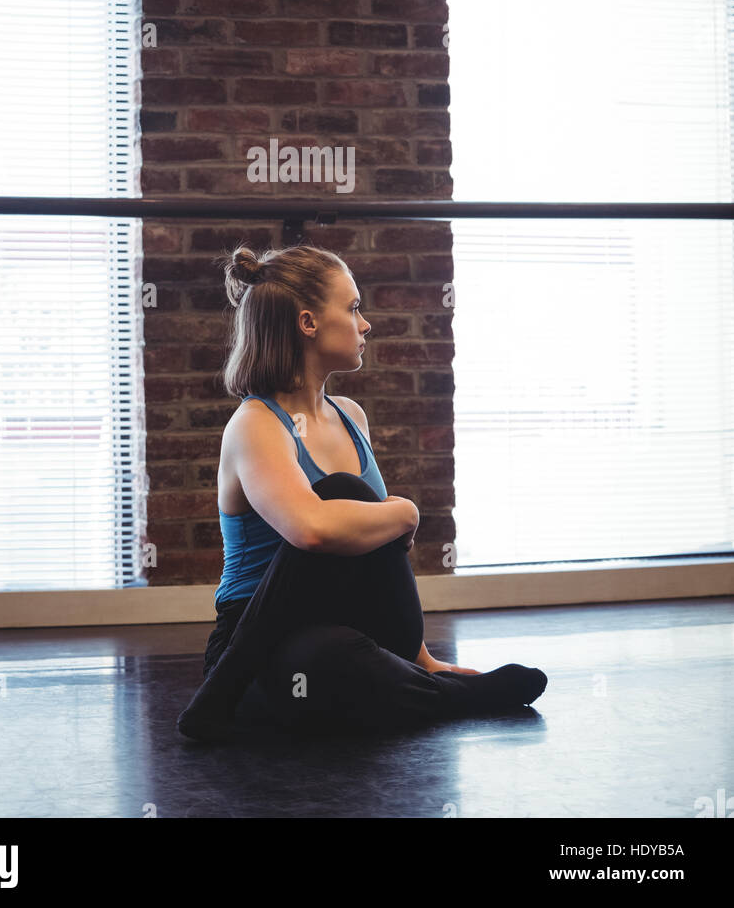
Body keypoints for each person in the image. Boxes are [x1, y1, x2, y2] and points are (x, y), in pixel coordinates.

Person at [177, 242, 547, 742]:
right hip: (260, 645)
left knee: (350, 645)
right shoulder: (256, 424)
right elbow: (310, 531)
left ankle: (423, 682)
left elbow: (374, 557)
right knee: (329, 660)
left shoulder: (352, 417)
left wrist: (426, 661)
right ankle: (227, 689)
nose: (365, 323)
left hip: (351, 627)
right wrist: (406, 512)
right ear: (308, 323)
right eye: (352, 308)